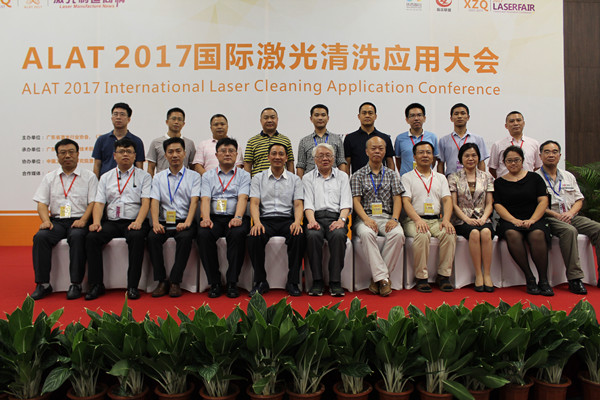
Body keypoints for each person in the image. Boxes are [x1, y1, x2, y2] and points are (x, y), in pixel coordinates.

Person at [85, 138, 152, 300]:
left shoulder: (144, 176)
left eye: (129, 151)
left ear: (135, 155)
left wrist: (138, 222)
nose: (125, 155)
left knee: (137, 237)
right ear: (114, 155)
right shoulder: (106, 177)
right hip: (112, 222)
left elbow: (146, 202)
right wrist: (96, 222)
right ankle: (96, 285)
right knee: (92, 237)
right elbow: (99, 203)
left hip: (134, 221)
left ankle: (133, 286)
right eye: (121, 151)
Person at [31, 139, 98, 300]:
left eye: (71, 152)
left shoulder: (89, 177)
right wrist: (46, 221)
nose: (67, 156)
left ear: (78, 154)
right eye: (63, 153)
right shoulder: (50, 177)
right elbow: (42, 203)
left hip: (79, 220)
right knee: (40, 237)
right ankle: (43, 284)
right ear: (57, 156)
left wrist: (84, 220)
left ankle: (75, 283)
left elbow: (93, 203)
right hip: (57, 221)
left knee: (77, 236)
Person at [537, 140, 598, 294]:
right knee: (569, 231)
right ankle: (575, 278)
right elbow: (536, 205)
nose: (551, 155)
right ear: (540, 156)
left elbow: (579, 199)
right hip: (549, 216)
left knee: (598, 228)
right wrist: (556, 215)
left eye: (554, 152)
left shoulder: (568, 176)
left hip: (570, 214)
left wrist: (570, 213)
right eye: (547, 152)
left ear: (560, 156)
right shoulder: (535, 178)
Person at [493, 145, 553, 296]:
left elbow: (543, 201)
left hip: (534, 218)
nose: (513, 163)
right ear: (504, 163)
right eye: (509, 161)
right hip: (510, 220)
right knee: (512, 234)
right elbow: (498, 205)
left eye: (516, 160)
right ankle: (529, 277)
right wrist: (514, 220)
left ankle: (544, 280)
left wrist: (532, 219)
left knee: (537, 234)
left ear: (522, 160)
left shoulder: (534, 178)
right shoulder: (499, 183)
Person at [247, 143, 306, 297]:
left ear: (286, 158)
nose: (277, 157)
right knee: (254, 236)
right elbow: (254, 203)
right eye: (274, 153)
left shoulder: (295, 179)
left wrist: (297, 222)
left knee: (298, 235)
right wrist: (256, 223)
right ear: (268, 157)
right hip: (265, 220)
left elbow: (298, 204)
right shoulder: (258, 178)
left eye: (281, 154)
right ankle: (260, 281)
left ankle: (292, 281)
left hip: (287, 219)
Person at [197, 137, 251, 299]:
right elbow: (205, 199)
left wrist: (238, 217)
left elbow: (243, 198)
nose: (227, 154)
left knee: (237, 233)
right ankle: (214, 282)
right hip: (214, 217)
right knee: (203, 234)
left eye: (231, 151)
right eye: (223, 151)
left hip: (235, 217)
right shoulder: (208, 176)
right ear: (216, 155)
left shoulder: (244, 175)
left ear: (236, 155)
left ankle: (232, 282)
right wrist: (205, 218)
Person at [147, 137, 201, 298]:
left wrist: (187, 222)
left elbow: (194, 201)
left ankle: (175, 281)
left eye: (178, 151)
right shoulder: (158, 177)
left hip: (185, 220)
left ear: (185, 153)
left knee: (185, 238)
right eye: (170, 152)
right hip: (164, 221)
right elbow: (154, 201)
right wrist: (155, 223)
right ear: (165, 155)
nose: (175, 155)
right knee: (152, 237)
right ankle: (161, 281)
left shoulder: (194, 176)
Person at [350, 136, 404, 297]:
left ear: (385, 151)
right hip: (365, 218)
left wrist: (395, 219)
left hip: (387, 217)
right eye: (373, 148)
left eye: (381, 148)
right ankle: (384, 279)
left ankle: (378, 279)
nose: (377, 151)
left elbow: (397, 199)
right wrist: (366, 219)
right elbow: (355, 201)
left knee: (398, 234)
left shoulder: (392, 174)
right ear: (367, 151)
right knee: (367, 234)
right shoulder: (358, 175)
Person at [402, 141, 456, 293]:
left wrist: (446, 220)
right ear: (414, 156)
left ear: (433, 157)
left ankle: (443, 276)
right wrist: (417, 220)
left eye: (428, 152)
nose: (425, 155)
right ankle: (421, 277)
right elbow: (405, 202)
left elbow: (447, 200)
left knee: (449, 233)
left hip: (436, 220)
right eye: (421, 152)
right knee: (422, 234)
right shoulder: (407, 177)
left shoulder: (441, 177)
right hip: (414, 220)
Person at [303, 143, 352, 296]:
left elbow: (346, 203)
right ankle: (317, 281)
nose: (325, 159)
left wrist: (341, 220)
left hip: (336, 217)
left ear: (333, 158)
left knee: (338, 235)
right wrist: (312, 221)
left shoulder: (342, 176)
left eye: (328, 155)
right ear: (314, 159)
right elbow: (308, 203)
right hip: (315, 217)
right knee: (312, 235)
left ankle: (335, 281)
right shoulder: (307, 177)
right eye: (321, 156)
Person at [448, 143, 495, 292]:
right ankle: (478, 274)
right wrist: (467, 219)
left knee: (486, 232)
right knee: (474, 233)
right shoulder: (454, 177)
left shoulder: (487, 176)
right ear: (461, 158)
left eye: (474, 155)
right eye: (467, 155)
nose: (470, 158)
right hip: (462, 219)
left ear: (479, 158)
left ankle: (487, 274)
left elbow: (490, 203)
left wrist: (484, 218)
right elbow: (453, 204)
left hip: (483, 217)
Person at [92, 102, 145, 178]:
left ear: (129, 119)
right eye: (115, 114)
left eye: (122, 114)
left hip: (129, 181)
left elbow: (139, 166)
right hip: (106, 181)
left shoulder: (136, 141)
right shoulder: (101, 140)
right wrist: (96, 182)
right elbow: (97, 165)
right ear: (111, 118)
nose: (118, 117)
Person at [296, 104, 348, 178]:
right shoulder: (304, 141)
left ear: (328, 118)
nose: (320, 118)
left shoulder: (337, 139)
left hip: (332, 180)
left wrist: (342, 180)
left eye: (323, 115)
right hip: (310, 181)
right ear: (311, 118)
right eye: (316, 115)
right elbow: (301, 165)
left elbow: (341, 162)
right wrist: (300, 183)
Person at [437, 103, 489, 176]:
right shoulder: (444, 140)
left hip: (472, 178)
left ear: (468, 117)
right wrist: (442, 181)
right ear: (451, 118)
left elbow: (481, 162)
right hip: (451, 178)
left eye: (463, 113)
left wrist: (482, 179)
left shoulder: (477, 139)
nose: (459, 116)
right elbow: (440, 164)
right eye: (456, 114)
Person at [344, 102, 395, 174]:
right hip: (358, 179)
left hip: (382, 179)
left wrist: (392, 178)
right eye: (364, 113)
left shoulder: (385, 138)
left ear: (375, 116)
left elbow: (390, 162)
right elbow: (347, 164)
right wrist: (347, 180)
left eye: (370, 113)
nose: (367, 116)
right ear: (359, 116)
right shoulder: (350, 138)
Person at [488, 111, 541, 178]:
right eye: (512, 121)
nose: (515, 123)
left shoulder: (534, 144)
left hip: (528, 182)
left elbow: (538, 166)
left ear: (523, 123)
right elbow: (492, 168)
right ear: (506, 126)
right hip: (506, 183)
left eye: (518, 120)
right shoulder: (498, 145)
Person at [146, 107, 196, 177]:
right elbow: (151, 167)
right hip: (162, 181)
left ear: (183, 123)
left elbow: (192, 167)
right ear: (167, 122)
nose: (176, 122)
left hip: (183, 181)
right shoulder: (156, 142)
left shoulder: (189, 143)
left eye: (179, 119)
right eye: (173, 119)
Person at [244, 108, 294, 177]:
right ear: (261, 121)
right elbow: (247, 165)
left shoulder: (285, 140)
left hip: (281, 181)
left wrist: (291, 181)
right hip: (259, 182)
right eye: (266, 118)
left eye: (272, 117)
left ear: (277, 120)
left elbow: (290, 163)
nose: (269, 120)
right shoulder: (252, 142)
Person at [394, 103, 439, 175]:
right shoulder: (400, 138)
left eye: (419, 115)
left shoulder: (432, 137)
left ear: (424, 118)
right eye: (412, 116)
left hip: (426, 178)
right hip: (406, 178)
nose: (416, 118)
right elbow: (398, 160)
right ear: (407, 120)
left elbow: (434, 158)